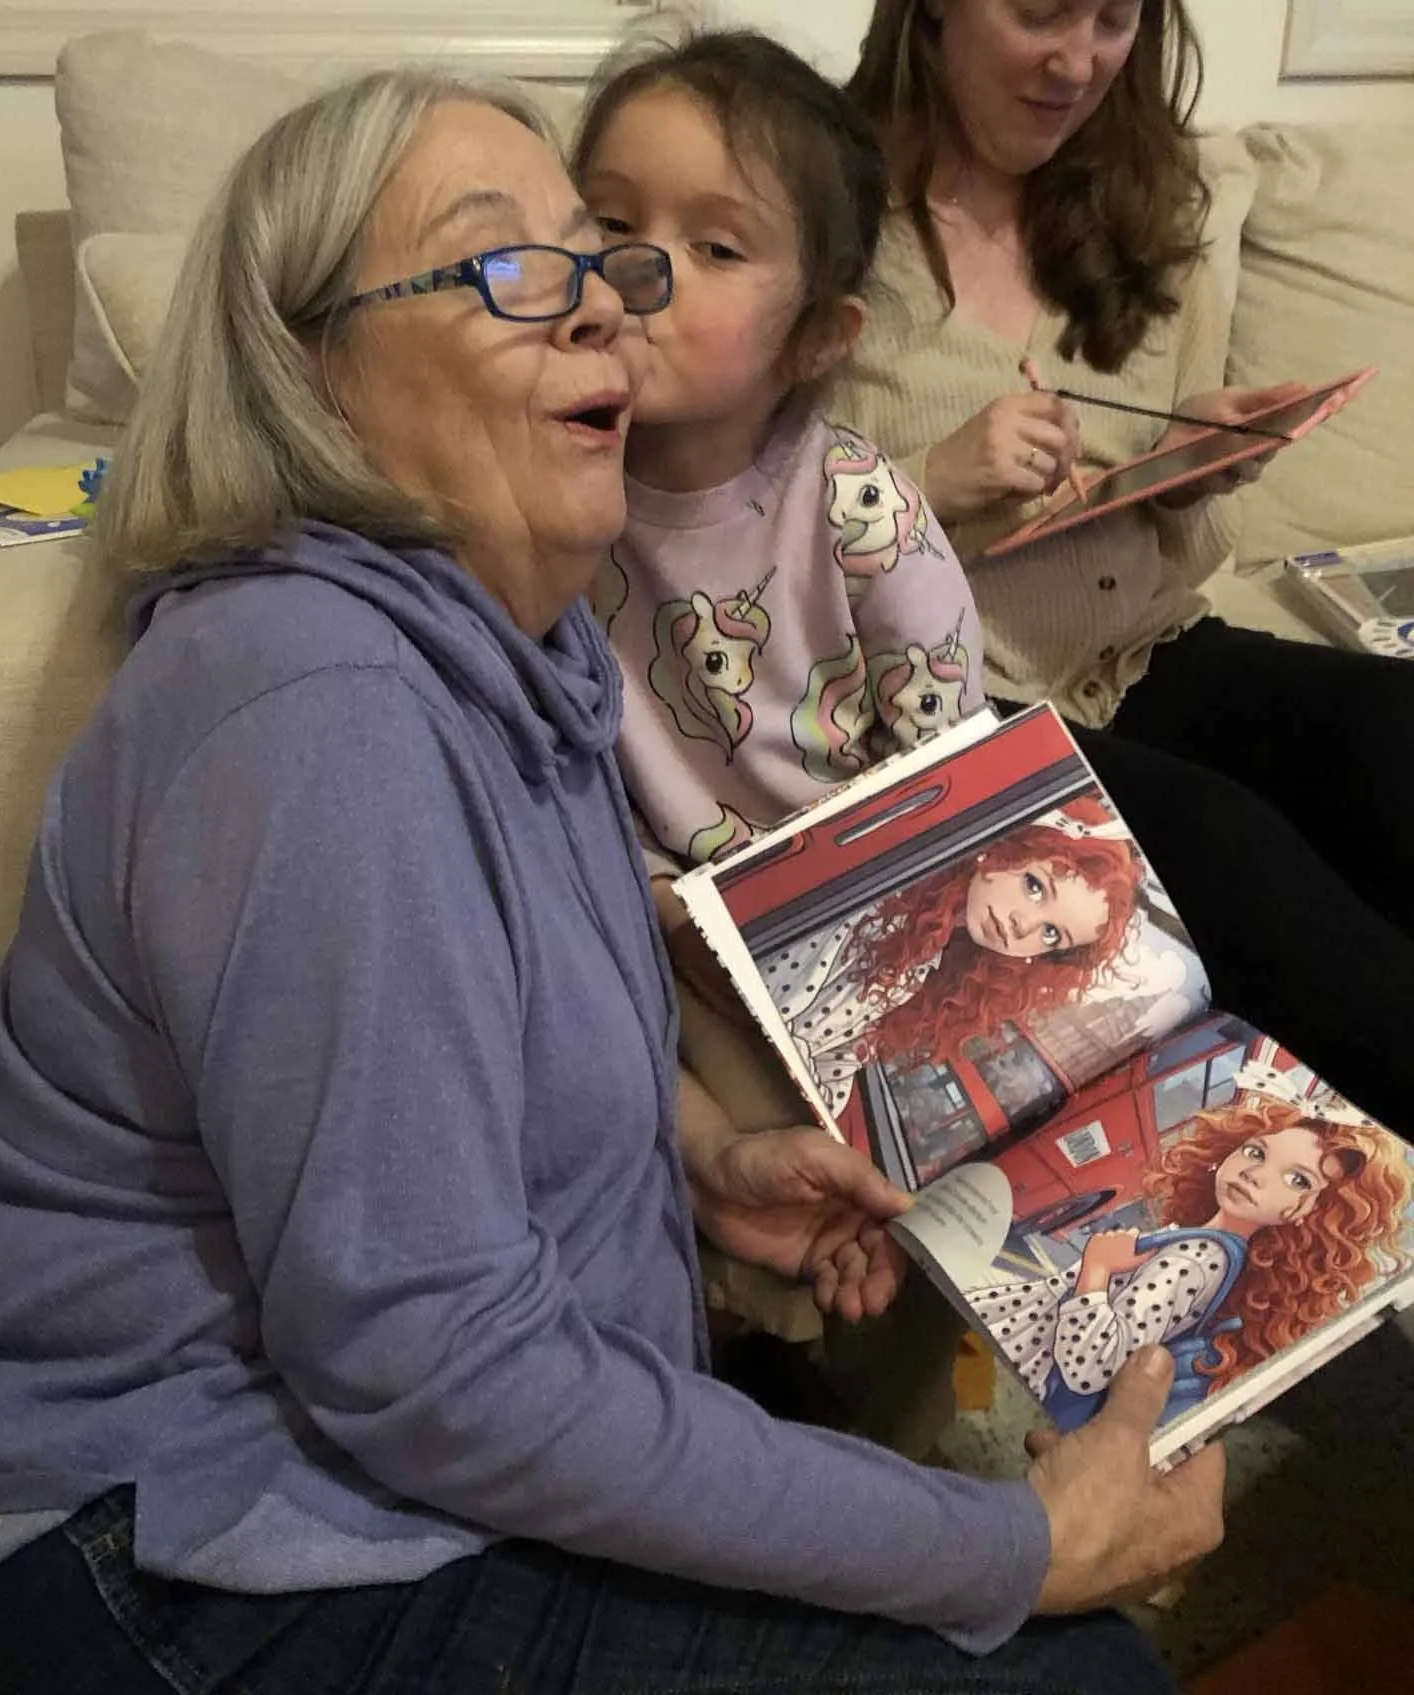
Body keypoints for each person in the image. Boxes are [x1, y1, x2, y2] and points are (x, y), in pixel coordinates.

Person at [0, 63, 1223, 1695]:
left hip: (314, 1520)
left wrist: (702, 1157)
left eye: (594, 254)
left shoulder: (525, 670)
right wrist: (1016, 1546)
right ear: (311, 370)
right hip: (136, 1605)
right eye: (500, 264)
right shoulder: (318, 701)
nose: (600, 291)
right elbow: (438, 1367)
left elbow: (452, 1080)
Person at [833, 0, 1414, 1142]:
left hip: (1150, 650)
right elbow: (741, 550)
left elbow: (1180, 563)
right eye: (1041, 11)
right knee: (1241, 856)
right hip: (960, 698)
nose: (1077, 60)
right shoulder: (823, 212)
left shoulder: (1151, 206)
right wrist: (925, 485)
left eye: (1112, 19)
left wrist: (1187, 468)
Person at [574, 30, 986, 1367]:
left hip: (867, 922)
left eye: (716, 246)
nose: (638, 271)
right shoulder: (550, 486)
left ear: (819, 334)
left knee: (919, 1175)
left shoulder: (857, 507)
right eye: (607, 221)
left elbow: (956, 766)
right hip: (663, 927)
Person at [969, 1093, 1412, 1428]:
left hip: (1011, 1370)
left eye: (1297, 1180)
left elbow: (1093, 1366)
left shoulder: (1198, 1257)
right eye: (1257, 1152)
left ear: (1302, 1212)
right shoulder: (1210, 1249)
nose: (1255, 1173)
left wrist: (1097, 1269)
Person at [762, 805, 1142, 1116]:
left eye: (1051, 934)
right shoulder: (883, 903)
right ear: (1007, 846)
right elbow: (777, 1009)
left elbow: (835, 1065)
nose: (1023, 924)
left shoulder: (926, 963)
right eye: (1034, 885)